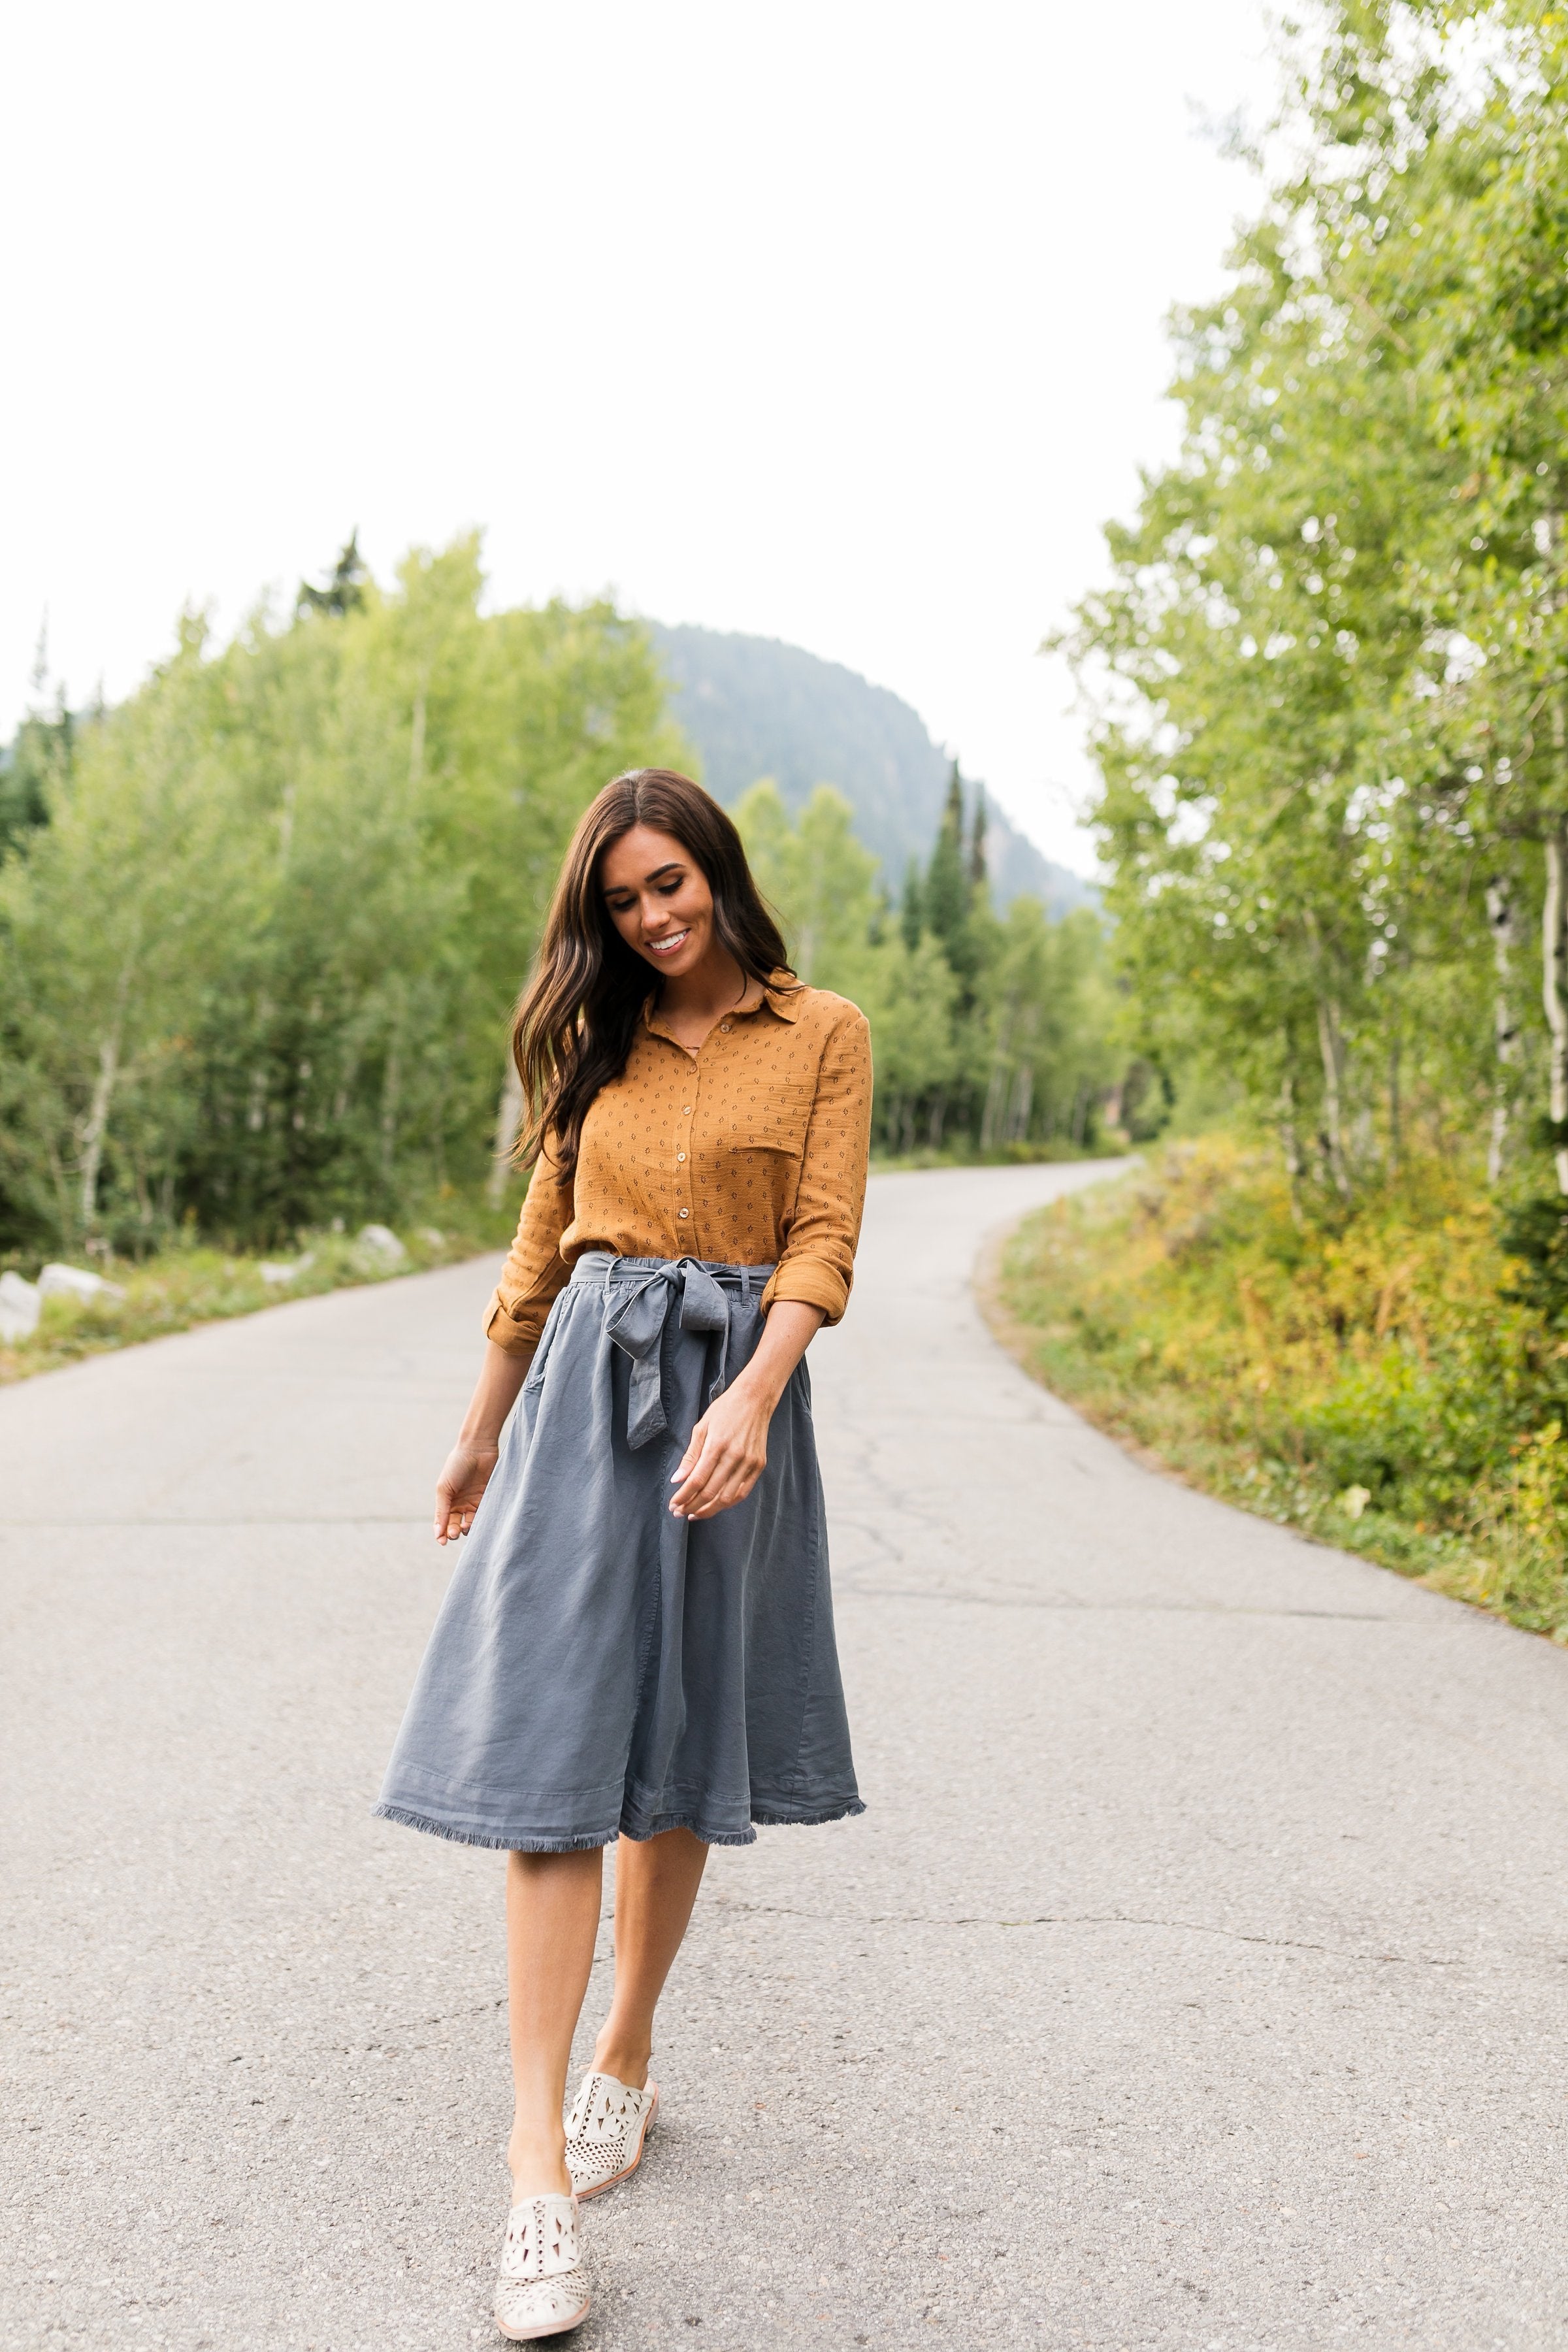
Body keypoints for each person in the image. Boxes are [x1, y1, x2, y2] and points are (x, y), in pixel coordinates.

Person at [374, 768, 873, 2340]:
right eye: (623, 901)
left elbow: (823, 1239)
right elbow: (543, 1244)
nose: (654, 919)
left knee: (674, 1755)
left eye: (672, 885)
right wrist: (477, 1424)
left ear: (718, 873)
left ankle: (628, 2051)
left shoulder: (824, 1034)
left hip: (735, 1407)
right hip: (587, 1404)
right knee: (550, 1757)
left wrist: (756, 1395)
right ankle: (533, 2176)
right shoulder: (594, 1049)